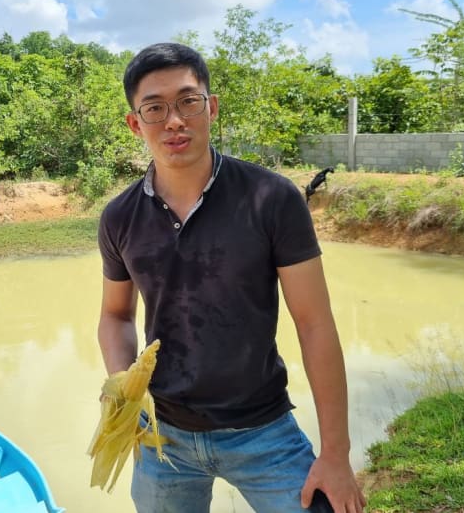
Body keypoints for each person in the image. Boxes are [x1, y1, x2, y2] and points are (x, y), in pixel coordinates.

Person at [96, 42, 366, 513]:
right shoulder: (119, 217)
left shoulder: (272, 198)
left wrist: (336, 455)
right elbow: (116, 315)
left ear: (211, 107)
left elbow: (315, 324)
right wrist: (124, 393)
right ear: (135, 124)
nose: (174, 120)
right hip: (163, 439)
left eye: (187, 101)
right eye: (155, 108)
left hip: (264, 431)